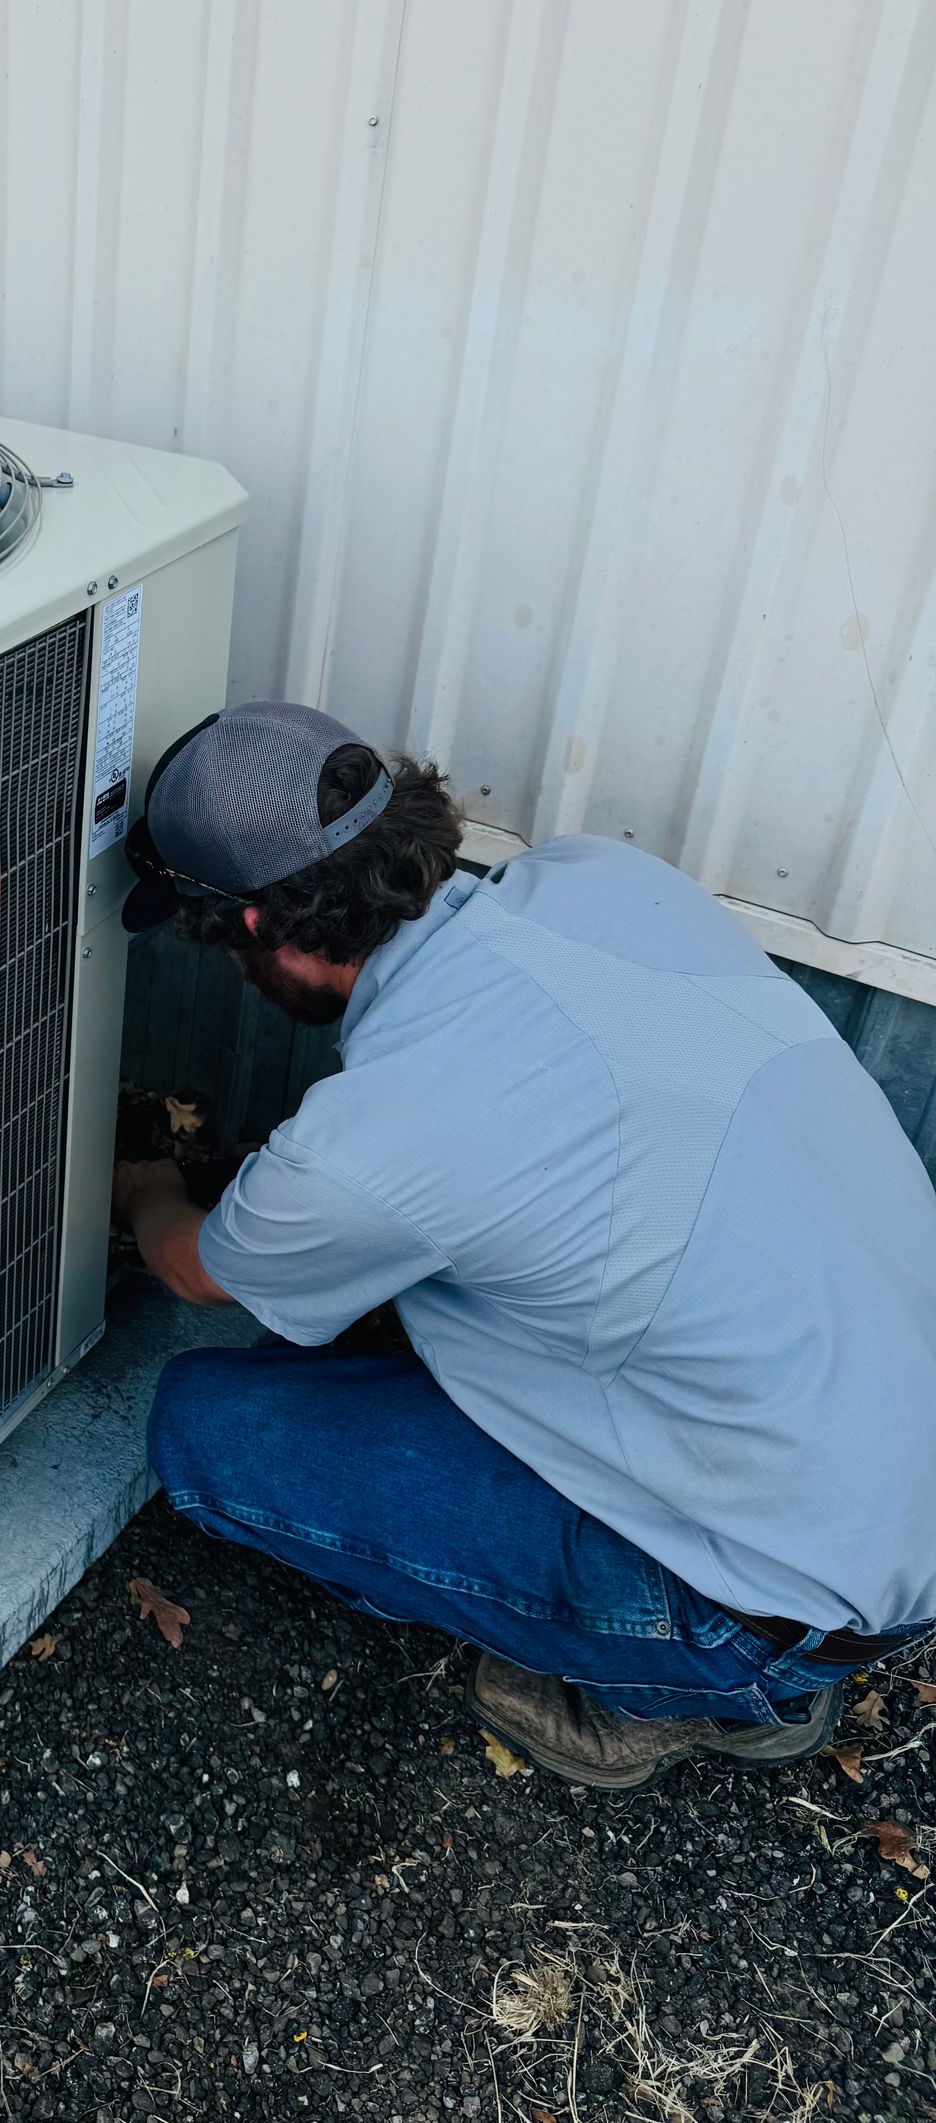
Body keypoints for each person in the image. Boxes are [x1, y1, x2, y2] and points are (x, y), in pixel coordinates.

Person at [112, 701, 936, 1790]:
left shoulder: (382, 1139)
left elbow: (195, 1267)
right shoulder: (606, 882)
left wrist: (141, 1186)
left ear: (257, 931)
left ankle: (705, 1690)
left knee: (205, 1431)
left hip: (768, 1600)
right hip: (880, 1457)